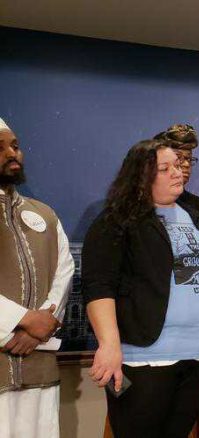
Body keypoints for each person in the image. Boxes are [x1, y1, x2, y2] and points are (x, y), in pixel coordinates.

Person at [82, 139, 199, 438]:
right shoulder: (116, 221)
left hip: (198, 355)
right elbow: (99, 286)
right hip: (144, 357)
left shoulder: (197, 218)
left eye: (177, 166)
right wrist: (109, 344)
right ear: (141, 176)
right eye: (165, 169)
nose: (177, 173)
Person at [0, 117, 74, 438]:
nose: (11, 154)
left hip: (39, 364)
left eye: (14, 145)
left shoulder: (44, 213)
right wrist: (21, 320)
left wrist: (41, 325)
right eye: (0, 148)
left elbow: (65, 271)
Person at [154, 124, 199, 221]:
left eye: (189, 159)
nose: (186, 164)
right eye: (178, 158)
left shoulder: (198, 205)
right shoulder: (137, 205)